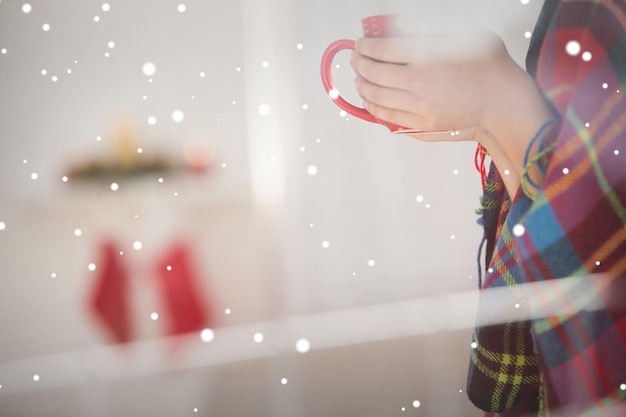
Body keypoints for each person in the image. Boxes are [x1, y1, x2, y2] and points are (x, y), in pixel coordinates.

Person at [350, 1, 626, 416]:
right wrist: (490, 121)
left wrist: (499, 104)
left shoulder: (589, 16)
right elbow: (550, 207)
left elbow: (596, 247)